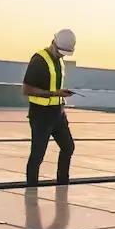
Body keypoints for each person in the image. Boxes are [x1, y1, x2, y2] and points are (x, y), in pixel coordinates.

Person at [21, 29, 77, 186]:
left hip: (57, 114)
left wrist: (60, 95)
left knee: (68, 147)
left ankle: (62, 184)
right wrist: (53, 93)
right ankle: (31, 189)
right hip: (41, 116)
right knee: (38, 155)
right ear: (53, 42)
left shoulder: (59, 61)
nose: (61, 55)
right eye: (60, 52)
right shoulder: (39, 60)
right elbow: (26, 89)